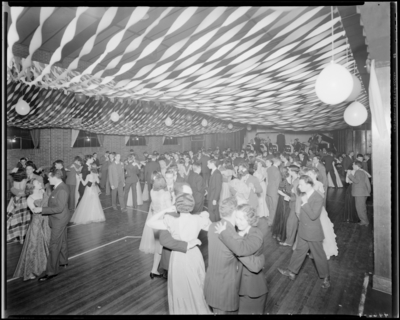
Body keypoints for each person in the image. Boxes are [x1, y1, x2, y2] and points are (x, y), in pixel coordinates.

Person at [147, 193, 212, 314]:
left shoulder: (170, 220)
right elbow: (213, 228)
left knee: (179, 289)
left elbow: (150, 223)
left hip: (178, 256)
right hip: (194, 255)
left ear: (177, 206)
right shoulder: (198, 219)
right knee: (197, 285)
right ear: (192, 205)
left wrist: (165, 210)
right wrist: (206, 216)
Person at [204, 197, 265, 314]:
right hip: (225, 291)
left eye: (242, 218)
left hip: (212, 286)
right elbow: (254, 263)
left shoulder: (213, 227)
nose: (238, 221)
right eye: (237, 217)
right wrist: (261, 259)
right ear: (234, 213)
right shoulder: (233, 236)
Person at [278, 175, 330, 289]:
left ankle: (326, 277)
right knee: (299, 251)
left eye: (301, 184)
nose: (299, 186)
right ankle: (291, 271)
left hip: (312, 232)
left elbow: (313, 216)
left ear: (309, 185)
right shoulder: (303, 194)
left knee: (318, 255)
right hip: (303, 230)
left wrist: (305, 203)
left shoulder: (318, 197)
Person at [31, 170, 70, 281]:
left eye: (49, 177)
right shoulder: (60, 187)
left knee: (54, 244)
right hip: (61, 218)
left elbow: (59, 208)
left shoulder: (61, 189)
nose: (48, 179)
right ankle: (63, 261)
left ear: (55, 177)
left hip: (59, 219)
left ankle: (51, 271)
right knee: (62, 240)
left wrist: (41, 209)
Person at [13, 179, 51, 281]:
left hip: (46, 221)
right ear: (32, 187)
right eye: (37, 182)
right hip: (37, 224)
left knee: (46, 242)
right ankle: (29, 272)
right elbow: (35, 211)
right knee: (33, 246)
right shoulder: (30, 198)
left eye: (39, 182)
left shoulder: (43, 192)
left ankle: (46, 265)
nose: (40, 183)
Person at [139, 173, 173, 278]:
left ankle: (154, 270)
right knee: (167, 247)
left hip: (155, 222)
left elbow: (153, 207)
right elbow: (170, 208)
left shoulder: (152, 192)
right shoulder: (166, 194)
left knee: (159, 246)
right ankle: (169, 270)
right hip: (164, 222)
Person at [301, 168, 338, 260]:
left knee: (321, 230)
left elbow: (322, 196)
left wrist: (313, 190)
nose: (308, 174)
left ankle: (323, 251)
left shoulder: (319, 184)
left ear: (315, 175)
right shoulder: (307, 184)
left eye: (310, 173)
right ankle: (311, 250)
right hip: (308, 209)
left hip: (318, 211)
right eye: (307, 173)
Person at [7, 168, 30, 244]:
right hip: (22, 201)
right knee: (22, 220)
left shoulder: (14, 179)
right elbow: (23, 191)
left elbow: (13, 189)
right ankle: (21, 236)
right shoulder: (24, 179)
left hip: (14, 200)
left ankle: (15, 235)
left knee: (13, 217)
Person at [280, 165, 300, 247]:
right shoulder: (296, 179)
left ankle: (289, 241)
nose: (288, 172)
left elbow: (298, 197)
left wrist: (289, 197)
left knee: (290, 224)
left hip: (296, 205)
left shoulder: (296, 182)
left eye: (289, 170)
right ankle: (292, 241)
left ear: (292, 171)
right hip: (294, 205)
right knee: (294, 224)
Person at [271, 167, 292, 242]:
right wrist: (286, 195)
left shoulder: (293, 179)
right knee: (282, 216)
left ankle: (285, 234)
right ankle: (279, 233)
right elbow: (279, 191)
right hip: (283, 200)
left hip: (290, 200)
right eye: (289, 170)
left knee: (287, 217)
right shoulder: (284, 181)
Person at [348, 161, 371, 226]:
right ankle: (364, 220)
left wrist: (350, 175)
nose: (352, 166)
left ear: (356, 166)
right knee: (362, 207)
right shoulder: (362, 172)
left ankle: (364, 221)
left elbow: (356, 181)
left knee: (360, 208)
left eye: (353, 165)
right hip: (363, 193)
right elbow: (366, 183)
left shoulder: (358, 172)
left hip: (360, 193)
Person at [266, 157, 281, 226]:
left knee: (270, 206)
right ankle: (272, 221)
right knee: (274, 207)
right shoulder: (277, 170)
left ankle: (270, 218)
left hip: (269, 190)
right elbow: (278, 182)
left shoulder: (269, 168)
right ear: (278, 162)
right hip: (274, 191)